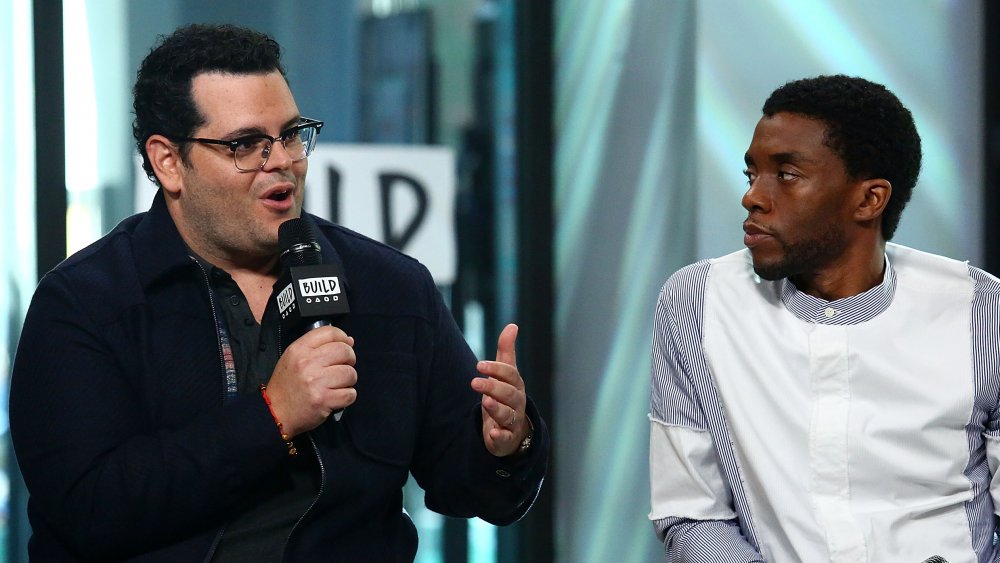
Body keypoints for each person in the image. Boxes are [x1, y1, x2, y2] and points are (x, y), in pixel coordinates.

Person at [10, 24, 548, 562]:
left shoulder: (391, 288)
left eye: (291, 135)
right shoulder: (85, 303)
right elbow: (87, 510)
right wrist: (273, 418)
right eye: (245, 144)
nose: (281, 162)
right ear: (168, 162)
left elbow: (478, 491)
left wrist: (508, 443)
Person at [647, 74, 1000, 562]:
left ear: (869, 199)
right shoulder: (697, 303)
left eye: (786, 175)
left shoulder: (980, 311)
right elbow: (691, 513)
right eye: (753, 174)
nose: (753, 197)